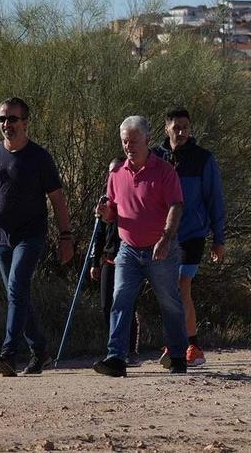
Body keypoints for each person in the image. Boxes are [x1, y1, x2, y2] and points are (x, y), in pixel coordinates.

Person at [0, 97, 72, 377]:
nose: (6, 124)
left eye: (12, 119)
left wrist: (65, 236)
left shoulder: (39, 157)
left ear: (25, 122)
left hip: (31, 235)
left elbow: (58, 199)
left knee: (16, 290)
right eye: (2, 119)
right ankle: (41, 352)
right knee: (18, 294)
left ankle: (8, 353)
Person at [92, 116, 189, 377]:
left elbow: (176, 206)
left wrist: (166, 238)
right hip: (128, 249)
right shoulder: (116, 174)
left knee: (169, 302)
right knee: (120, 300)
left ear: (147, 140)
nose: (128, 146)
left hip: (161, 249)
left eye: (133, 141)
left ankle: (179, 355)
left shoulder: (164, 172)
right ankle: (116, 357)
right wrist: (105, 213)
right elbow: (113, 213)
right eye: (125, 142)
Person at [151, 107, 226, 368]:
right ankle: (180, 342)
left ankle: (190, 346)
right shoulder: (154, 158)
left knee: (182, 285)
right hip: (162, 235)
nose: (181, 132)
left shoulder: (203, 158)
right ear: (166, 129)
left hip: (192, 233)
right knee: (168, 289)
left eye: (185, 127)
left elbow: (214, 198)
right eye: (176, 127)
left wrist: (219, 238)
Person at [90, 158, 141, 366]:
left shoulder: (131, 197)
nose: (113, 176)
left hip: (129, 259)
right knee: (106, 307)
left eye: (116, 172)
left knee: (126, 304)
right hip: (108, 259)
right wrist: (94, 261)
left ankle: (129, 350)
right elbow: (98, 234)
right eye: (110, 172)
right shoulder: (104, 200)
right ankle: (115, 347)